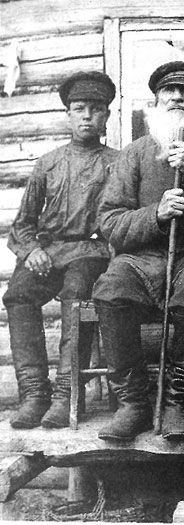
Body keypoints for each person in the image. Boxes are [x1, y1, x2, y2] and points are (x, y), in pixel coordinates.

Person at [92, 61, 184, 442]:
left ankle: (179, 401)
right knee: (110, 289)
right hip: (141, 259)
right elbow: (110, 221)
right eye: (168, 92)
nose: (177, 97)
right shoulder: (134, 154)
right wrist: (156, 214)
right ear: (156, 102)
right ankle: (133, 404)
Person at [3, 72, 119, 429]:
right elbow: (23, 223)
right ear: (68, 115)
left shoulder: (117, 162)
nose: (87, 116)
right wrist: (30, 250)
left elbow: (123, 217)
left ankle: (68, 393)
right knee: (18, 294)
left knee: (76, 294)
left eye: (96, 109)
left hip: (92, 251)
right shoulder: (48, 163)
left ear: (107, 115)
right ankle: (34, 393)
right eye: (79, 109)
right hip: (50, 251)